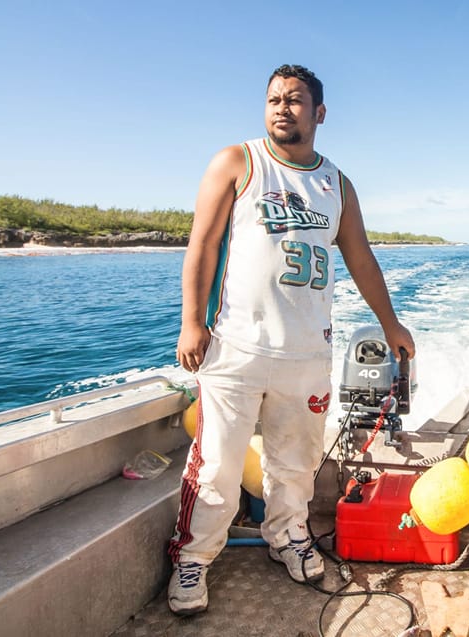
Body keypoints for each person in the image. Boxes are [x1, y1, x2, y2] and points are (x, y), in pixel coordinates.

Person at [167, 64, 416, 616]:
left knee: (296, 464)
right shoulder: (238, 162)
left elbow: (361, 259)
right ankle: (193, 559)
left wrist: (391, 323)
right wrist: (192, 322)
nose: (282, 107)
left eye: (296, 100)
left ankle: (289, 538)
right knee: (215, 465)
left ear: (319, 113)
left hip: (307, 353)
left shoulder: (337, 184)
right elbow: (203, 246)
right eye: (274, 99)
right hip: (235, 347)